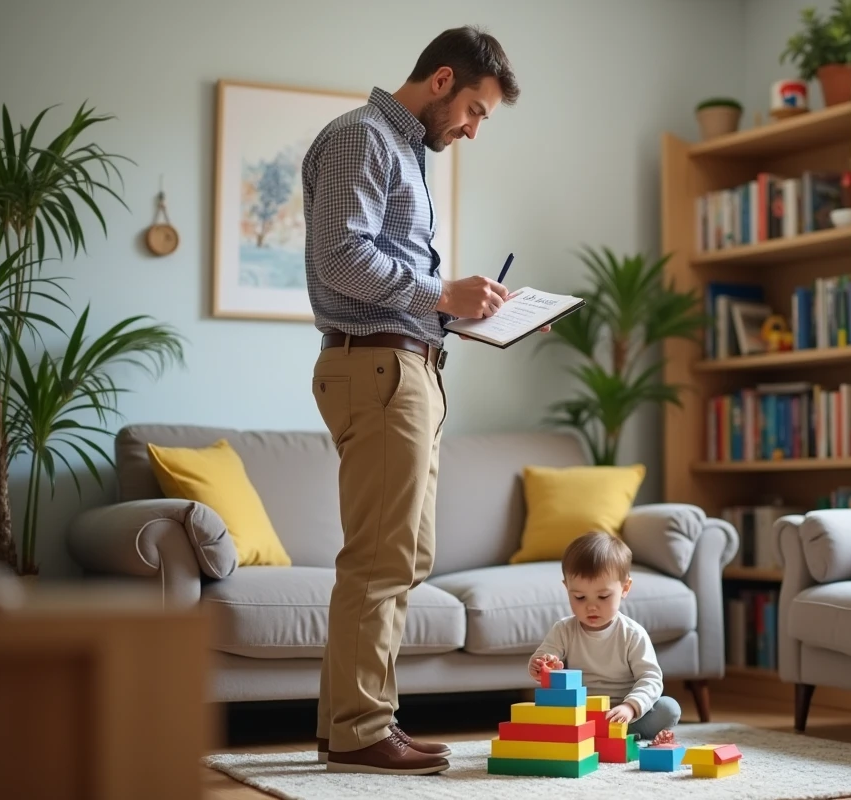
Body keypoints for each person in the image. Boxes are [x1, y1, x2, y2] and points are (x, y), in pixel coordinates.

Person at [303, 25, 520, 775]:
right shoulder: (364, 136)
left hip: (406, 366)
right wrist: (439, 292)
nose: (472, 128)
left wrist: (459, 308)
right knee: (383, 556)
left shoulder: (401, 151)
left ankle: (347, 726)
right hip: (379, 369)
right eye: (475, 111)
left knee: (401, 552)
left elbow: (374, 265)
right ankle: (364, 727)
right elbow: (341, 256)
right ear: (442, 81)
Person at [528, 531, 683, 743]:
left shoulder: (632, 633)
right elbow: (542, 661)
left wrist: (630, 707)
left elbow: (651, 678)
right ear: (567, 589)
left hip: (623, 715)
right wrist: (542, 666)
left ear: (625, 588)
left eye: (603, 596)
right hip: (578, 714)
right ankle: (596, 735)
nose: (591, 606)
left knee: (669, 708)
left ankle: (619, 734)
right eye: (579, 597)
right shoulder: (563, 630)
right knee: (535, 714)